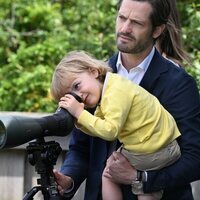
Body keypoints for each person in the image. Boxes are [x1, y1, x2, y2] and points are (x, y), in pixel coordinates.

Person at [53, 0, 200, 199]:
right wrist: (68, 178)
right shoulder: (91, 81)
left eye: (137, 23)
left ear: (157, 30)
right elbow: (80, 148)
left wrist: (142, 177)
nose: (124, 28)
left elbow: (195, 158)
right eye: (122, 18)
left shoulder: (179, 83)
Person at [51, 50, 181, 200]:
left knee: (109, 174)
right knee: (145, 191)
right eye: (71, 95)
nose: (78, 96)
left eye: (77, 86)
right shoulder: (110, 89)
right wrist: (78, 120)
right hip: (157, 145)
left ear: (93, 72)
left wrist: (80, 113)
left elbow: (110, 131)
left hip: (154, 148)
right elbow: (98, 128)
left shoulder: (115, 92)